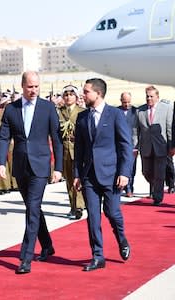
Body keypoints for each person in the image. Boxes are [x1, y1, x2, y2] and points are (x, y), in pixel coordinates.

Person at [0, 71, 63, 274]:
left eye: (36, 86)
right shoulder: (11, 109)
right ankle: (47, 245)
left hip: (41, 166)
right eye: (30, 87)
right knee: (33, 208)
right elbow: (3, 138)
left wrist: (58, 167)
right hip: (21, 166)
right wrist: (1, 163)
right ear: (22, 86)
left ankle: (25, 257)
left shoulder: (48, 107)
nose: (33, 90)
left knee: (32, 208)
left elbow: (57, 139)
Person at [73, 78, 132, 271]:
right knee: (93, 217)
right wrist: (77, 175)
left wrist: (125, 173)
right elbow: (79, 149)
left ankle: (121, 239)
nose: (83, 95)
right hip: (89, 175)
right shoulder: (82, 117)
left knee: (112, 213)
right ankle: (98, 256)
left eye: (86, 91)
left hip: (112, 174)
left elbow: (125, 146)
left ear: (98, 93)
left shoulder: (114, 114)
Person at [134, 86, 174, 206]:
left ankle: (157, 197)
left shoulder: (166, 108)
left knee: (159, 173)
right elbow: (136, 130)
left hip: (161, 147)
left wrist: (171, 146)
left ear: (157, 97)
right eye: (147, 96)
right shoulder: (140, 111)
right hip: (146, 147)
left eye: (151, 96)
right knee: (146, 172)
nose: (149, 98)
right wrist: (135, 147)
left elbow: (169, 128)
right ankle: (155, 185)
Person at [57, 85, 86, 220]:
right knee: (68, 179)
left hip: (78, 149)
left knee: (78, 178)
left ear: (76, 97)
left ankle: (80, 206)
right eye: (66, 95)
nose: (68, 97)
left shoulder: (82, 111)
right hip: (65, 149)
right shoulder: (59, 112)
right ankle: (73, 206)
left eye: (71, 95)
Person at [118, 92, 138, 197]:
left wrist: (136, 147)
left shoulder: (136, 111)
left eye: (128, 102)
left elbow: (137, 131)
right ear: (120, 101)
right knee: (119, 166)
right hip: (119, 145)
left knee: (131, 168)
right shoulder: (116, 111)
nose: (126, 104)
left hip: (132, 145)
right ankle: (120, 187)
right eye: (124, 102)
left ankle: (130, 188)